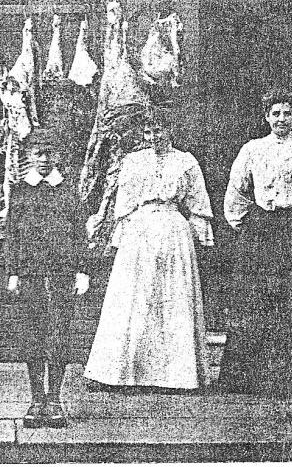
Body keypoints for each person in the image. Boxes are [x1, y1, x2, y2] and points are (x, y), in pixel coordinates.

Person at [84, 108, 213, 391]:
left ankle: (176, 376)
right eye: (148, 132)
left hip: (173, 229)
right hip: (140, 230)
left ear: (170, 131)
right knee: (133, 296)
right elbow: (125, 203)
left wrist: (200, 235)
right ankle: (120, 373)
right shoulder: (133, 161)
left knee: (172, 297)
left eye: (158, 131)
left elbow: (197, 201)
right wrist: (124, 234)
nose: (153, 137)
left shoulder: (186, 162)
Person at [219, 89, 292, 398]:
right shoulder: (252, 149)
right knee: (256, 297)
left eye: (287, 113)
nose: (281, 119)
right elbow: (237, 188)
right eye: (275, 113)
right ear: (266, 117)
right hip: (261, 229)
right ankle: (249, 380)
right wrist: (245, 223)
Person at [3, 128, 91, 428]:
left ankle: (54, 398)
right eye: (37, 153)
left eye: (49, 153)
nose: (43, 159)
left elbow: (80, 232)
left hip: (61, 274)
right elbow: (12, 235)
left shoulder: (67, 191)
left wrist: (82, 270)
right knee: (33, 336)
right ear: (28, 155)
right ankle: (36, 398)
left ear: (58, 156)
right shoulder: (20, 191)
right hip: (30, 274)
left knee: (58, 335)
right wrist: (13, 271)